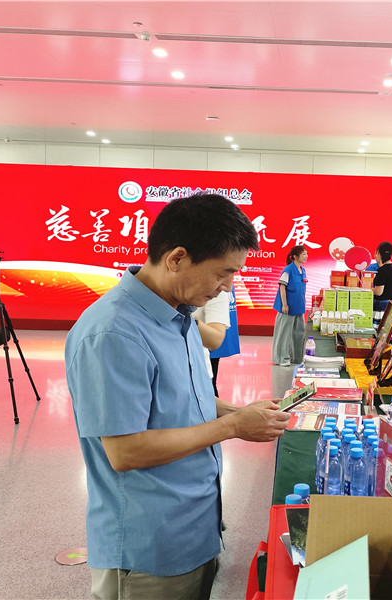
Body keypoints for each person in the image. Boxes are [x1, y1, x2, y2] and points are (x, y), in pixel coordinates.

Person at [65, 193, 290, 600]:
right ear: (177, 258)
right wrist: (233, 426)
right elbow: (126, 450)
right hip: (148, 547)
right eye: (223, 273)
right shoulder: (114, 333)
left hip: (194, 527)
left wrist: (244, 411)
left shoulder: (178, 315)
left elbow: (184, 400)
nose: (227, 287)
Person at [271, 245, 308, 367]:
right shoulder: (288, 270)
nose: (306, 256)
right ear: (295, 257)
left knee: (299, 333)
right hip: (287, 307)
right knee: (284, 334)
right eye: (303, 254)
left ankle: (296, 357)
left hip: (299, 307)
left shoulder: (303, 270)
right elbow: (282, 287)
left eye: (306, 254)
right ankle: (281, 358)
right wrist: (285, 304)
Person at [193, 289, 230, 396]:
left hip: (199, 372)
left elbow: (214, 340)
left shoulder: (218, 293)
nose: (228, 287)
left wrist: (187, 317)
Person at [209, 285, 240, 398]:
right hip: (213, 339)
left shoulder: (217, 287)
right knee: (211, 381)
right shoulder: (225, 285)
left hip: (209, 340)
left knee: (210, 382)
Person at [372, 241, 392, 312]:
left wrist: (367, 288)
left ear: (379, 253)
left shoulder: (382, 270)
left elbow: (378, 292)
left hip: (381, 308)